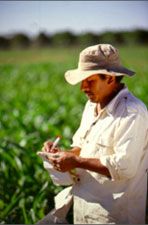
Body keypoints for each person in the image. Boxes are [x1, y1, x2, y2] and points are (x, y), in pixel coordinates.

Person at [41, 44, 148, 224]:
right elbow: (82, 149)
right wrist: (61, 155)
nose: (83, 87)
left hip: (114, 215)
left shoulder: (132, 112)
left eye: (89, 81)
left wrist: (75, 161)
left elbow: (125, 166)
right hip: (84, 209)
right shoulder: (92, 106)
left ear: (110, 78)